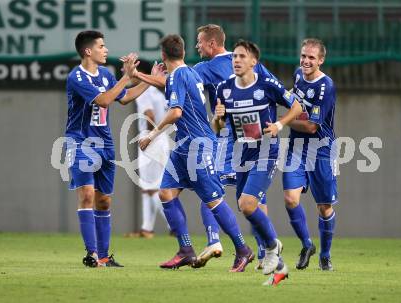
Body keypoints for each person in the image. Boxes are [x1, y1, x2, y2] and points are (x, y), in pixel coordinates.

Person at [140, 24, 274, 269]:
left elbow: (176, 112)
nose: (197, 46)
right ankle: (186, 250)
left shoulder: (185, 73)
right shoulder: (189, 73)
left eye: (200, 42)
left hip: (198, 145)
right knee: (166, 193)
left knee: (214, 200)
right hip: (185, 145)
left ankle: (243, 249)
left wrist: (152, 133)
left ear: (163, 56)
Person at [214, 39, 302, 283]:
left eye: (242, 56)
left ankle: (273, 248)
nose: (237, 61)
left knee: (248, 203)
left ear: (254, 61)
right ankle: (274, 250)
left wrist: (279, 124)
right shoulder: (224, 89)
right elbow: (218, 127)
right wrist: (218, 118)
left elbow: (296, 106)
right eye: (234, 57)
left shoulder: (267, 85)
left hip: (267, 151)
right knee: (245, 207)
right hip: (242, 153)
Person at [65, 30, 149, 267]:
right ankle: (91, 254)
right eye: (101, 46)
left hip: (105, 144)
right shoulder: (77, 77)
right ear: (88, 51)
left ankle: (103, 257)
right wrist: (125, 76)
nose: (106, 50)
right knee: (87, 196)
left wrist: (147, 79)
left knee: (104, 202)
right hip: (80, 142)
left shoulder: (104, 74)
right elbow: (103, 100)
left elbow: (123, 97)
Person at [282, 38, 338, 271]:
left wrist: (281, 122)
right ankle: (307, 244)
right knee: (290, 198)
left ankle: (325, 255)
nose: (305, 61)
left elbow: (312, 127)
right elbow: (292, 100)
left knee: (324, 207)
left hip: (322, 151)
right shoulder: (297, 75)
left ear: (321, 60)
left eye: (311, 57)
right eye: (303, 55)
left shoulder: (326, 86)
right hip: (296, 149)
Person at [125, 85, 171, 238]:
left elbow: (149, 115)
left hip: (150, 140)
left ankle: (175, 225)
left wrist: (149, 136)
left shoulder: (143, 92)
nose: (125, 71)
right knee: (150, 188)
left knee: (151, 189)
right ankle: (147, 229)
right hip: (162, 139)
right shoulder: (157, 93)